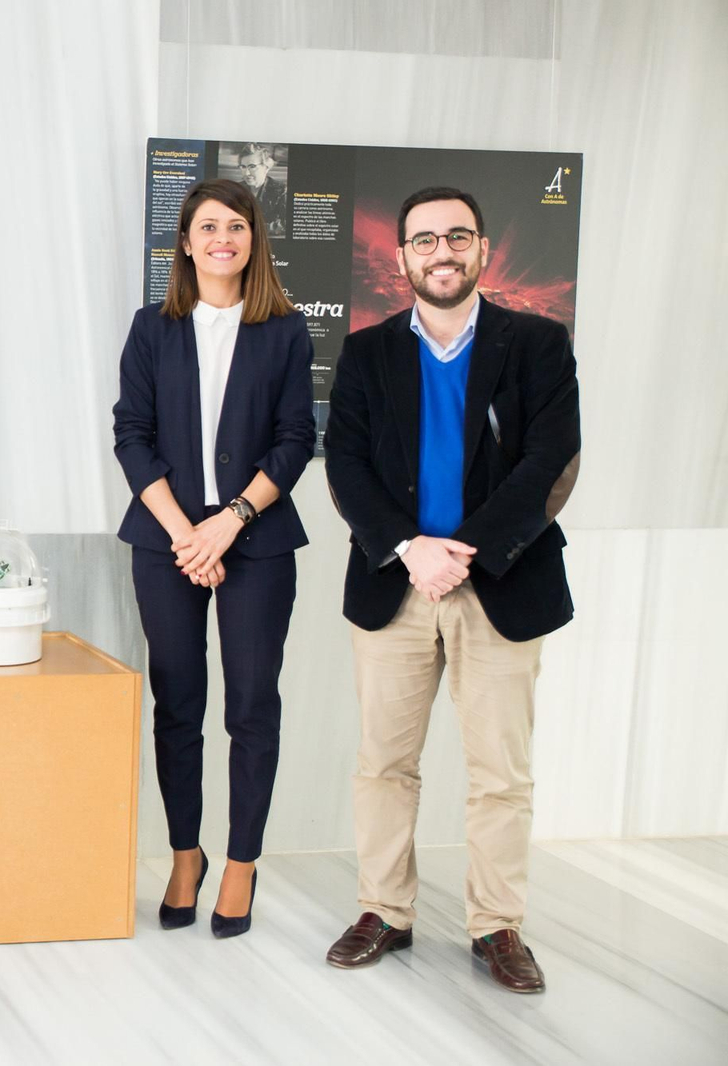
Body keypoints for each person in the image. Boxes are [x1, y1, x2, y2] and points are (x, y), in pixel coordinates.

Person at [322, 187, 580, 993]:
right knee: (383, 764)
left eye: (457, 237)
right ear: (401, 257)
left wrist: (459, 553)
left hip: (501, 581)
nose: (442, 251)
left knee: (500, 772)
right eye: (425, 239)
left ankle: (497, 926)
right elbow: (346, 465)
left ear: (481, 250)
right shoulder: (366, 354)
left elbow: (552, 460)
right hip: (393, 587)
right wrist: (408, 548)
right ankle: (383, 911)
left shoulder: (537, 342)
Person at [112, 178, 314, 938]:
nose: (221, 237)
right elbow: (131, 433)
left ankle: (241, 864)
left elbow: (296, 440)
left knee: (252, 705)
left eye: (236, 226)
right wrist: (184, 534)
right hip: (166, 543)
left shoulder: (286, 331)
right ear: (186, 242)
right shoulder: (152, 326)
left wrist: (227, 523)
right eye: (206, 226)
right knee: (179, 705)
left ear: (253, 240)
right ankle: (186, 853)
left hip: (255, 542)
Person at [236, 143, 288, 238]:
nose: (246, 173)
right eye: (243, 167)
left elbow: (286, 223)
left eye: (252, 166)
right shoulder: (235, 190)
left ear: (266, 167)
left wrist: (254, 228)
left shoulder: (281, 190)